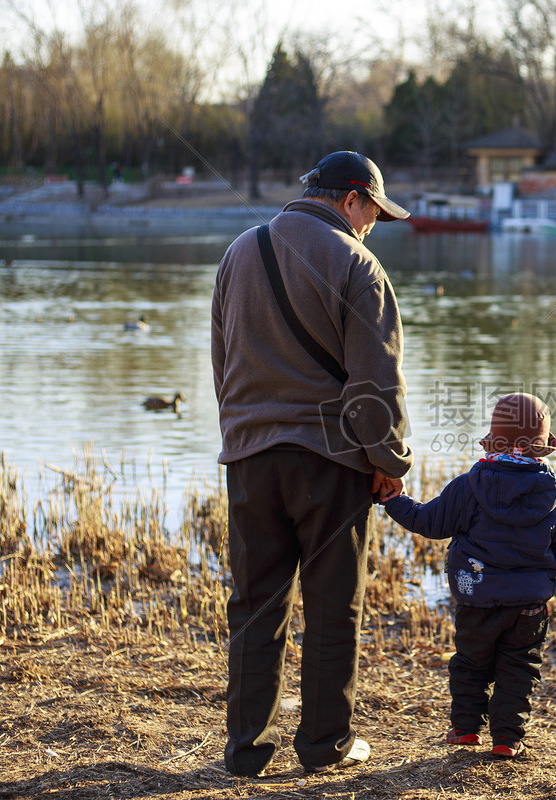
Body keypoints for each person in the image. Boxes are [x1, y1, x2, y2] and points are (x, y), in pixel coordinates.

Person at [211, 151, 413, 777]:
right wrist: (390, 462)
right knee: (332, 607)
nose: (373, 225)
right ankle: (325, 746)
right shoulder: (357, 263)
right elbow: (374, 383)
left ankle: (246, 752)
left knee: (254, 605)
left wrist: (241, 432)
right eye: (374, 212)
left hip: (249, 455)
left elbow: (222, 357)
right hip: (330, 463)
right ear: (352, 200)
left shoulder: (239, 252)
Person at [382, 392, 556, 759]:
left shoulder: (469, 486)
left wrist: (393, 500)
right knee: (519, 669)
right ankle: (507, 739)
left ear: (493, 441)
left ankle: (465, 729)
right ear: (542, 449)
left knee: (470, 663)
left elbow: (429, 522)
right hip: (529, 607)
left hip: (475, 598)